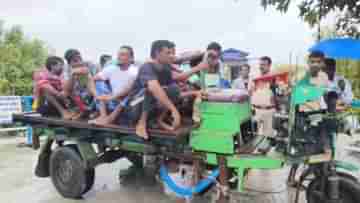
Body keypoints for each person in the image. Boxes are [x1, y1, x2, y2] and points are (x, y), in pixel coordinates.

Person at [126, 40, 189, 139]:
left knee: (173, 89)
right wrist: (173, 110)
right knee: (152, 88)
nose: (171, 56)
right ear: (157, 53)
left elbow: (175, 91)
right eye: (168, 53)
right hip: (133, 106)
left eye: (172, 53)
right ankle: (141, 123)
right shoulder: (146, 67)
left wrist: (195, 93)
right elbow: (154, 88)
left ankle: (159, 120)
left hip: (148, 105)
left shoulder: (166, 69)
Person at [89, 46, 138, 125]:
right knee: (99, 83)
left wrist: (113, 96)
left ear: (131, 58)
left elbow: (130, 88)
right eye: (118, 54)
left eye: (123, 54)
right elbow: (91, 80)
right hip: (113, 101)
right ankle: (103, 116)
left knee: (134, 91)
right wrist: (96, 95)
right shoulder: (111, 68)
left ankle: (110, 118)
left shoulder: (135, 71)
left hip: (127, 102)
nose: (119, 57)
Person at [62, 49, 98, 115]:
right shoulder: (66, 68)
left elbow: (97, 79)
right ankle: (81, 108)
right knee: (65, 91)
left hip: (91, 93)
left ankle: (90, 108)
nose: (79, 62)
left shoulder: (90, 64)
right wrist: (73, 74)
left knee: (85, 75)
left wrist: (86, 74)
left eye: (80, 59)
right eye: (75, 61)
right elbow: (66, 90)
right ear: (69, 63)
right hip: (76, 96)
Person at [251, 56, 276, 137]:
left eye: (263, 65)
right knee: (254, 136)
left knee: (268, 137)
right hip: (256, 110)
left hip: (269, 111)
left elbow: (281, 93)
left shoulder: (274, 77)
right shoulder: (254, 77)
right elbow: (250, 93)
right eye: (260, 64)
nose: (261, 67)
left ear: (269, 66)